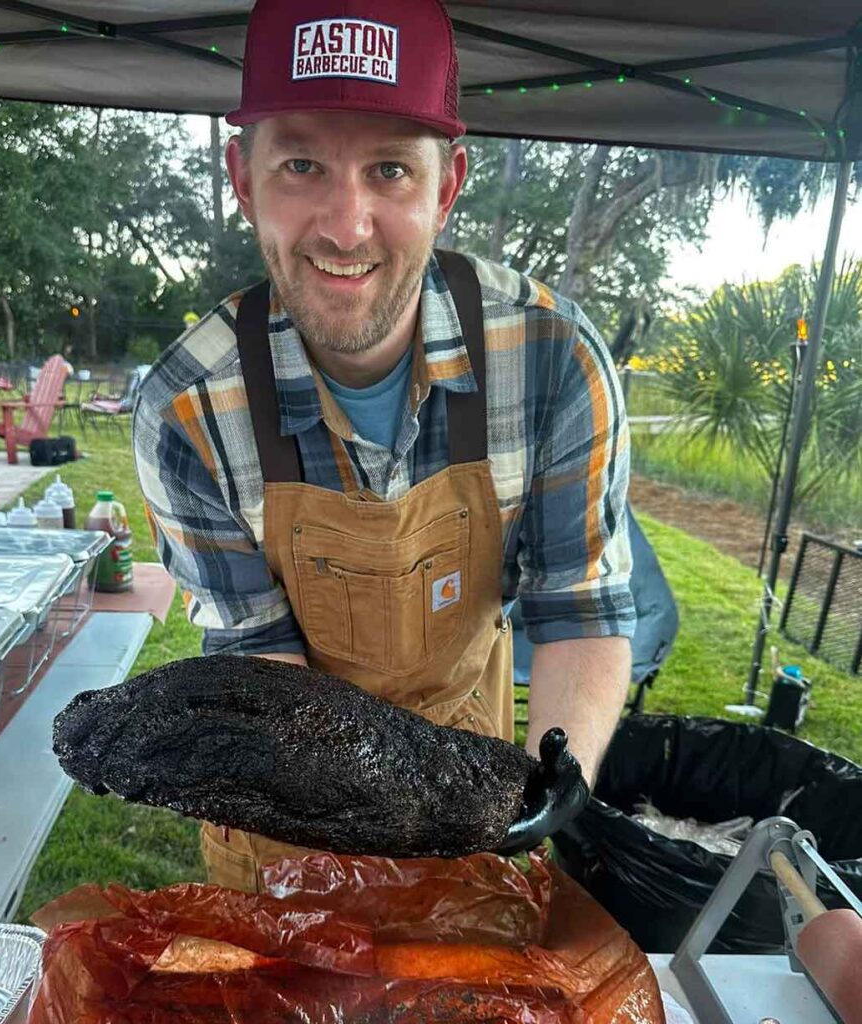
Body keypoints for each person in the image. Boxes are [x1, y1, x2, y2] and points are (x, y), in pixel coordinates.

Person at [133, 0, 634, 892]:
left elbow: (580, 611)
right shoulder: (187, 410)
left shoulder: (555, 361)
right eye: (300, 165)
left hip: (476, 806)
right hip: (280, 824)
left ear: (447, 187)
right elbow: (261, 659)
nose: (346, 225)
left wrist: (555, 778)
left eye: (391, 170)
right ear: (242, 179)